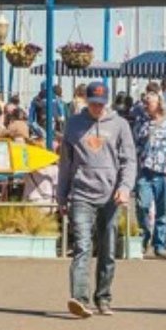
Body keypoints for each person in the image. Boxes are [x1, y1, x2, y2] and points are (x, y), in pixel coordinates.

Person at [57, 80, 136, 317]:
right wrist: (61, 195)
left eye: (101, 104)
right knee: (82, 245)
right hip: (81, 193)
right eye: (93, 104)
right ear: (86, 101)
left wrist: (124, 187)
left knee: (107, 249)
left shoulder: (120, 125)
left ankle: (103, 297)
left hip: (110, 196)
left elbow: (129, 160)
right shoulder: (74, 125)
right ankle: (79, 299)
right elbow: (65, 163)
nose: (97, 108)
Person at [132, 91, 166, 258]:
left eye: (148, 102)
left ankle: (159, 244)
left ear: (159, 103)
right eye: (144, 102)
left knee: (163, 211)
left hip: (164, 171)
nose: (145, 105)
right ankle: (143, 239)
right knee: (142, 206)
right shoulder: (141, 122)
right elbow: (135, 144)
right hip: (145, 170)